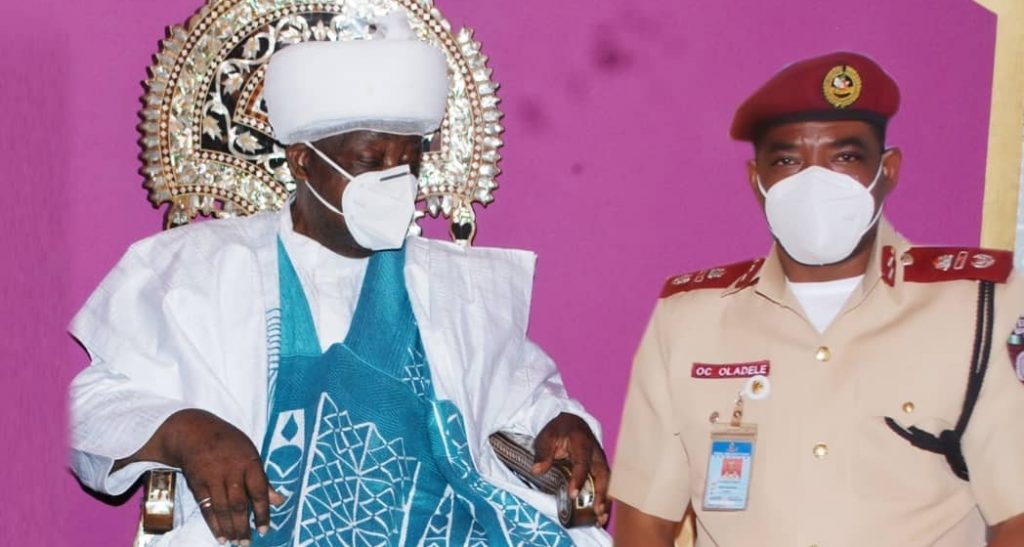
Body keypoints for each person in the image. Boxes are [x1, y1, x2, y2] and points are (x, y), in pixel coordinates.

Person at [69, 12, 610, 546]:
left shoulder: (455, 284)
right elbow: (88, 411)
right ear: (303, 162)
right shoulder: (197, 269)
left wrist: (562, 422)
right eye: (371, 160)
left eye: (409, 162)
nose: (396, 181)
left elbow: (524, 398)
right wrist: (185, 430)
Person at [610, 51, 1024, 546]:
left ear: (888, 170)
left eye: (844, 157)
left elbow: (1017, 516)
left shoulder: (979, 308)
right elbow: (644, 521)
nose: (814, 180)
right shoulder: (689, 320)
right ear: (757, 181)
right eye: (787, 160)